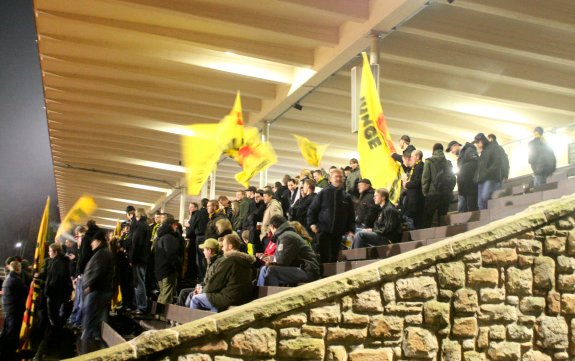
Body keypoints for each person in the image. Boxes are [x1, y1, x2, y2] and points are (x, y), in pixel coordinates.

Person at [190, 234, 255, 312]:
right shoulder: (245, 261)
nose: (222, 249)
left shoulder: (229, 261)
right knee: (213, 303)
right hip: (243, 298)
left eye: (223, 246)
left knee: (195, 299)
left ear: (230, 246)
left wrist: (202, 291)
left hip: (230, 298)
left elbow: (215, 283)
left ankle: (193, 323)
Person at [257, 215, 320, 286]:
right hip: (301, 268)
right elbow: (282, 258)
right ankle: (260, 294)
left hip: (308, 271)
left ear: (272, 226)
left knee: (272, 271)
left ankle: (270, 296)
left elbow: (282, 261)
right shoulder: (284, 235)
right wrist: (271, 259)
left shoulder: (287, 236)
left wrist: (271, 260)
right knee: (264, 269)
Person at [308, 169, 355, 263]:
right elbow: (313, 209)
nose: (338, 179)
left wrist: (351, 229)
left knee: (334, 257)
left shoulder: (346, 196)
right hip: (323, 230)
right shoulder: (323, 193)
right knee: (324, 257)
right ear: (330, 179)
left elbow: (351, 215)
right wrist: (312, 223)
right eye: (335, 177)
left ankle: (332, 276)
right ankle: (323, 277)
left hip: (338, 233)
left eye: (340, 177)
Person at [80, 230, 114, 350]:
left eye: (93, 242)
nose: (91, 244)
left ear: (99, 241)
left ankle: (85, 351)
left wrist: (89, 286)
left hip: (96, 292)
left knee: (89, 324)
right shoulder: (102, 252)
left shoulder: (102, 254)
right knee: (95, 323)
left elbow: (98, 272)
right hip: (97, 291)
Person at [180, 238, 223, 307]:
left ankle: (184, 315)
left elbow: (213, 284)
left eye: (204, 250)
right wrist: (200, 286)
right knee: (184, 292)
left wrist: (201, 289)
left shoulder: (217, 263)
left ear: (209, 251)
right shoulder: (211, 261)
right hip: (206, 288)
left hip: (211, 292)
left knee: (191, 295)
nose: (203, 252)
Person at [422, 143, 456, 228]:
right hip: (445, 193)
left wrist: (425, 192)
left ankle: (426, 237)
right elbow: (453, 178)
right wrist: (450, 189)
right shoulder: (448, 162)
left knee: (427, 217)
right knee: (442, 217)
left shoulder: (429, 161)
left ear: (433, 151)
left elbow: (426, 177)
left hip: (432, 193)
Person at [0, 261, 28, 360]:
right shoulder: (16, 280)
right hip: (15, 310)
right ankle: (9, 354)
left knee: (7, 331)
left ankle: (5, 351)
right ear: (18, 268)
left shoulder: (8, 278)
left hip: (9, 309)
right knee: (13, 332)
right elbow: (25, 291)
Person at [45, 243, 72, 338]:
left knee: (53, 314)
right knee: (55, 314)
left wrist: (48, 290)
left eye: (50, 251)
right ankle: (57, 334)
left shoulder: (58, 263)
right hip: (57, 293)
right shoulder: (60, 261)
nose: (48, 253)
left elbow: (56, 279)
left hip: (54, 293)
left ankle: (56, 336)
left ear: (55, 252)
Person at [155, 217, 185, 304]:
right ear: (170, 225)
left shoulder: (159, 237)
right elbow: (172, 255)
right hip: (168, 271)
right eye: (174, 225)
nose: (176, 227)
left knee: (162, 294)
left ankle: (158, 315)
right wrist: (177, 266)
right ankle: (163, 316)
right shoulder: (169, 238)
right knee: (167, 295)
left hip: (160, 270)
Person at [446, 140, 479, 213]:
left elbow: (475, 162)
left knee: (471, 209)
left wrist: (461, 169)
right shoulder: (461, 155)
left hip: (470, 186)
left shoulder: (469, 150)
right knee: (462, 210)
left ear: (456, 145)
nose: (452, 152)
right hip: (463, 188)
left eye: (451, 149)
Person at [129, 208, 151, 315]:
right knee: (141, 281)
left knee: (139, 283)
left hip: (138, 259)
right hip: (144, 258)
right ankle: (140, 306)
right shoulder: (146, 226)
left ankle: (141, 306)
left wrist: (132, 258)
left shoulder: (139, 226)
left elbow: (135, 244)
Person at [473, 133, 504, 210]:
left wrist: (487, 172)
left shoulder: (494, 148)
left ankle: (490, 214)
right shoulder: (483, 152)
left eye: (477, 143)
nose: (477, 145)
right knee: (480, 202)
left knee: (485, 197)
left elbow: (497, 162)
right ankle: (485, 218)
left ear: (482, 141)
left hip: (488, 177)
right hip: (481, 179)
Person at [403, 150, 425, 229]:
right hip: (413, 198)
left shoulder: (419, 167)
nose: (411, 158)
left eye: (412, 156)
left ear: (418, 157)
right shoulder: (416, 167)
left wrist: (406, 184)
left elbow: (417, 182)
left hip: (416, 198)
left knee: (416, 220)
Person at [190, 198, 209, 282]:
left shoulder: (198, 214)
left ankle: (202, 278)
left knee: (200, 259)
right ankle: (205, 277)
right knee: (205, 258)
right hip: (207, 237)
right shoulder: (210, 214)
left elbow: (192, 226)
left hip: (199, 237)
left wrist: (189, 234)